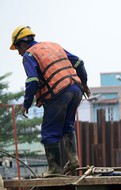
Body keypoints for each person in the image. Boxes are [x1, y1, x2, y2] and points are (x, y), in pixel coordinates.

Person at [10, 26, 89, 177]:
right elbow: (79, 62)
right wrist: (84, 84)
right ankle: (73, 160)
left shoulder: (29, 55)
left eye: (17, 49)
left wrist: (26, 104)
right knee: (67, 126)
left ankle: (54, 169)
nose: (19, 53)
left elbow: (32, 81)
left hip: (58, 92)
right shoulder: (53, 46)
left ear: (22, 44)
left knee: (49, 130)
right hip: (76, 89)